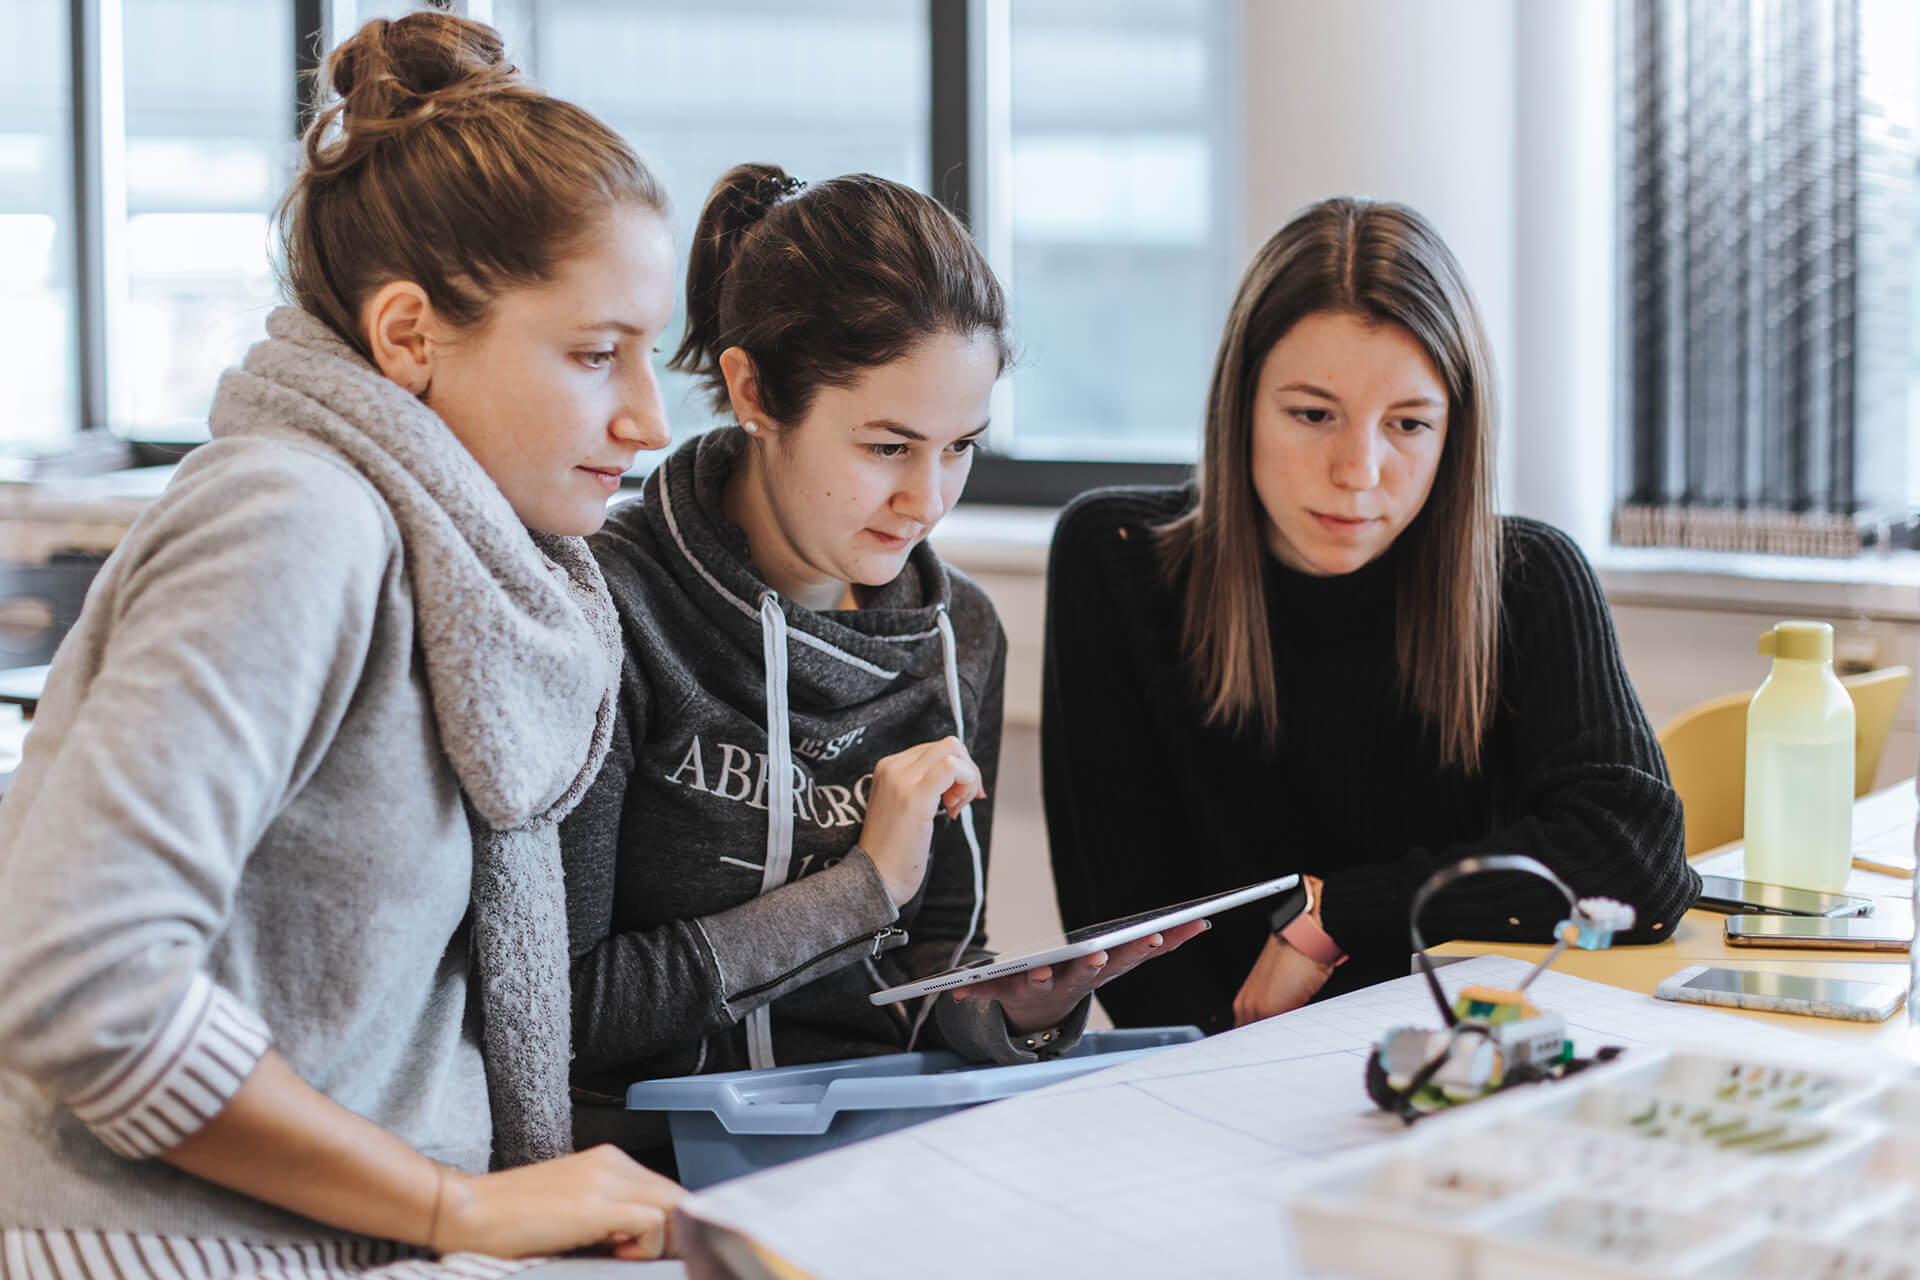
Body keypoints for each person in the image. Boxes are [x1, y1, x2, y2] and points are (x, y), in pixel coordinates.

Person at [0, 13, 688, 1273]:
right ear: (410, 336)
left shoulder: (472, 563)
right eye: (597, 355)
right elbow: (74, 979)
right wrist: (455, 1207)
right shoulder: (295, 517)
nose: (647, 417)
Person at [561, 164, 1200, 1134]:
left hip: (881, 1153)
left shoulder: (963, 634)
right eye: (887, 447)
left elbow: (930, 971)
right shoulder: (609, 605)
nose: (928, 500)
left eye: (959, 447)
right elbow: (569, 1007)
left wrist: (1015, 1010)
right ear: (753, 391)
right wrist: (860, 890)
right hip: (654, 1171)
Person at [1041, 196, 1700, 1036]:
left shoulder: (1528, 578)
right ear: (1240, 405)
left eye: (1409, 424)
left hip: (1453, 1056)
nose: (1358, 471)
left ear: (1454, 433)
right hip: (1217, 1066)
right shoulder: (1117, 557)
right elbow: (1124, 937)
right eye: (1313, 415)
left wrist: (1337, 913)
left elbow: (1636, 864)